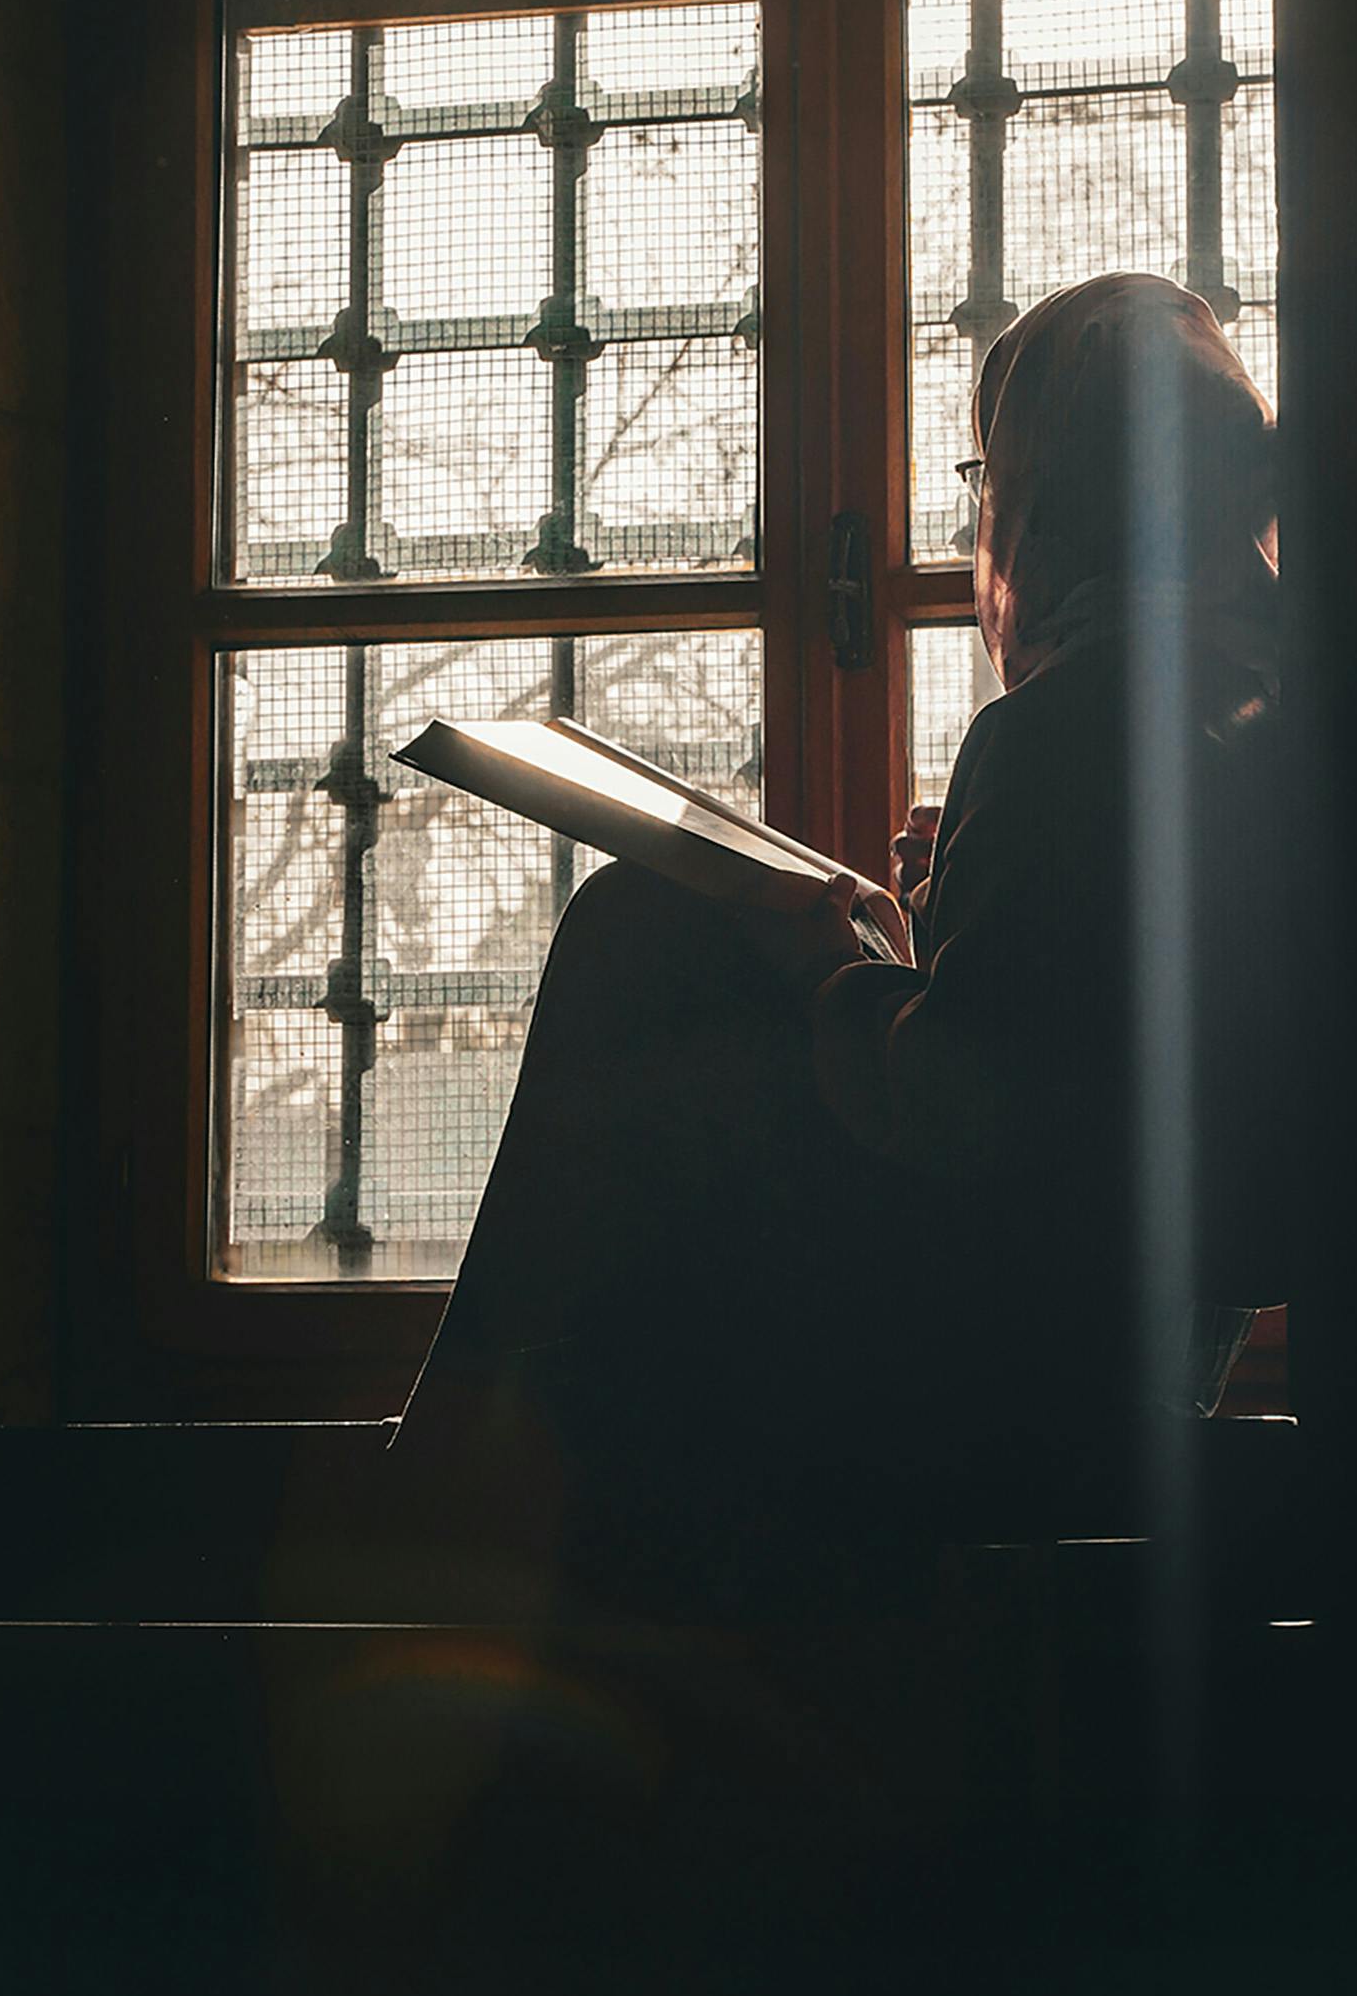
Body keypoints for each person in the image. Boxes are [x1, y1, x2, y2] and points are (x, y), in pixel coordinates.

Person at [390, 272, 1288, 1612]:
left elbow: (968, 1109)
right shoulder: (1262, 702)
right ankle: (482, 1458)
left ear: (1047, 489)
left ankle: (463, 1467)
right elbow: (1086, 1061)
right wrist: (940, 930)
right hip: (1141, 1343)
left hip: (1021, 1384)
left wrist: (828, 960)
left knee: (643, 930)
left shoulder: (1064, 727)